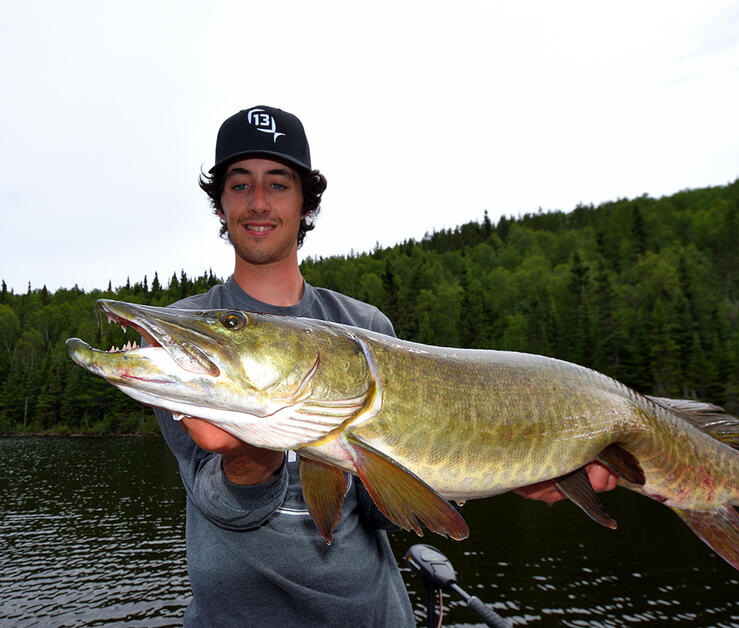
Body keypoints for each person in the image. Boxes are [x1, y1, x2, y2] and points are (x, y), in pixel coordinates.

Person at [154, 105, 618, 627]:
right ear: (219, 203)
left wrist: (503, 467)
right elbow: (225, 506)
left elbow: (381, 512)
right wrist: (250, 458)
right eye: (240, 185)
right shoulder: (186, 335)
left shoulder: (365, 326)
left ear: (306, 202)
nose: (258, 203)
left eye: (278, 184)